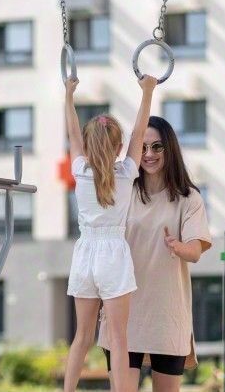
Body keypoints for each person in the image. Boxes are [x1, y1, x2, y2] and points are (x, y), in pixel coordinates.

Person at [98, 115, 213, 392]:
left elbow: (195, 252)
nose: (149, 154)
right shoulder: (122, 190)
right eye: (143, 147)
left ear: (169, 148)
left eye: (157, 146)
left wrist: (178, 246)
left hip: (167, 314)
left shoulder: (189, 198)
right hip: (123, 312)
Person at [60, 75, 156, 392]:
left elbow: (72, 132)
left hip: (84, 254)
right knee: (118, 339)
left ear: (88, 146)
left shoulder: (79, 170)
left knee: (82, 337)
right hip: (113, 255)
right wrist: (147, 92)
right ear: (118, 147)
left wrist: (69, 96)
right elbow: (139, 132)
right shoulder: (126, 173)